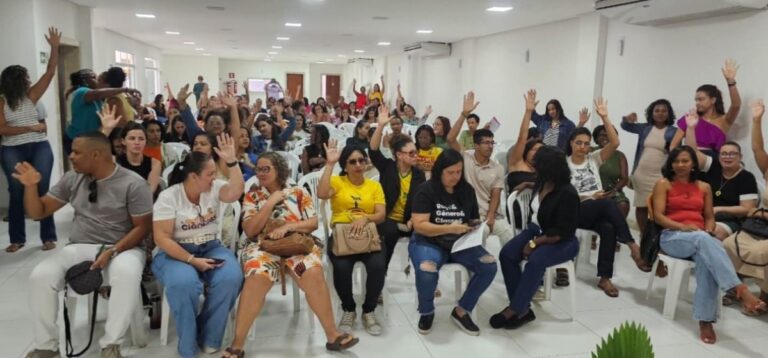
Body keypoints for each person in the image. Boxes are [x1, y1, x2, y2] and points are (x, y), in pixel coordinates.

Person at [17, 130, 153, 358]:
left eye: (76, 152)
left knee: (126, 273)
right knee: (40, 276)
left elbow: (142, 228)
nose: (71, 156)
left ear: (96, 155)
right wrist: (31, 187)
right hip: (79, 245)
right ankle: (47, 347)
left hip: (123, 247)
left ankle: (111, 344)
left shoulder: (133, 183)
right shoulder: (73, 178)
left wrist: (113, 250)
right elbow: (38, 212)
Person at [224, 153, 358, 357]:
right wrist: (270, 202)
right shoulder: (253, 195)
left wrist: (288, 227)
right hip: (263, 246)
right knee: (256, 276)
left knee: (313, 272)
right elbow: (250, 230)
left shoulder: (297, 191)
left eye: (266, 168)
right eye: (258, 169)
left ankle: (332, 336)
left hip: (296, 244)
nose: (261, 173)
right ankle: (237, 344)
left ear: (279, 169)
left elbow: (312, 223)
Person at [651, 145, 765, 344]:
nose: (680, 165)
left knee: (707, 256)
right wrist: (682, 227)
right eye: (676, 161)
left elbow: (709, 217)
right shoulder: (664, 184)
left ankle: (706, 320)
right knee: (705, 241)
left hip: (698, 237)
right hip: (672, 236)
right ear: (671, 164)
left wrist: (709, 230)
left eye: (685, 161)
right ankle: (740, 289)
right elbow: (659, 216)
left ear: (693, 164)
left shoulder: (704, 187)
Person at [151, 134, 244, 358]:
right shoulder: (169, 197)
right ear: (193, 176)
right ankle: (188, 343)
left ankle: (209, 336)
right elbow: (162, 238)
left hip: (210, 247)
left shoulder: (214, 189)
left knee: (231, 278)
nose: (214, 178)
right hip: (175, 252)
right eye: (210, 174)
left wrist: (232, 163)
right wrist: (192, 261)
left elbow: (236, 191)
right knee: (184, 283)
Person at [566, 98, 650, 297]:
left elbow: (615, 142)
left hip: (596, 208)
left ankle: (605, 278)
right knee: (604, 201)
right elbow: (563, 198)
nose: (582, 147)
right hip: (574, 210)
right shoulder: (563, 163)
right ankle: (632, 245)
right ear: (571, 143)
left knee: (609, 228)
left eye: (586, 144)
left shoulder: (594, 158)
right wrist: (589, 196)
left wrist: (604, 116)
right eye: (578, 143)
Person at [409, 149, 498, 335]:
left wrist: (474, 226)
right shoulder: (426, 190)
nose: (455, 176)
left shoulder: (466, 190)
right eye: (450, 172)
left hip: (460, 243)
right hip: (429, 241)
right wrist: (450, 227)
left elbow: (471, 218)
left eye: (459, 171)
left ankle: (462, 310)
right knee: (427, 268)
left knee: (489, 266)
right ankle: (427, 311)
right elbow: (419, 226)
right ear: (440, 171)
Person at [491, 145, 580, 329]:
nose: (534, 167)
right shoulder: (542, 182)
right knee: (507, 254)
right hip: (536, 230)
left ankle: (515, 309)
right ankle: (522, 309)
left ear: (550, 169)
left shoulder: (568, 194)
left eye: (538, 165)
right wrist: (526, 184)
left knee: (535, 260)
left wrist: (534, 243)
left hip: (562, 240)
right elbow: (539, 196)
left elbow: (562, 231)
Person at [317, 141, 387, 336]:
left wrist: (365, 218)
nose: (358, 165)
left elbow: (381, 214)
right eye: (352, 161)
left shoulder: (374, 186)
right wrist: (330, 165)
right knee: (341, 267)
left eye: (361, 161)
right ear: (345, 166)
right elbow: (321, 193)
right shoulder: (337, 182)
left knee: (377, 266)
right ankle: (348, 309)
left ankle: (369, 310)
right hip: (342, 233)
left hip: (368, 232)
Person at [0, 27, 60, 252]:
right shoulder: (2, 101)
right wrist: (30, 127)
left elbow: (51, 72)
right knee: (16, 192)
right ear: (16, 81)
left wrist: (54, 47)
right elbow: (2, 129)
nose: (29, 80)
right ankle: (17, 239)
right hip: (12, 150)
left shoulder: (32, 95)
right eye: (25, 77)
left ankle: (48, 237)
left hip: (39, 147)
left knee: (43, 189)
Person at [447, 92, 514, 246]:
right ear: (476, 145)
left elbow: (496, 195)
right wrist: (464, 114)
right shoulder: (466, 158)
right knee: (479, 235)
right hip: (470, 216)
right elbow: (450, 139)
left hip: (491, 215)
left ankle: (510, 267)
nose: (490, 146)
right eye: (486, 143)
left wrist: (490, 217)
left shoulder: (498, 167)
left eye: (492, 143)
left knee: (509, 236)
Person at [681, 113, 759, 241]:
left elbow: (747, 208)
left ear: (740, 157)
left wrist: (717, 209)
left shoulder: (747, 177)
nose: (727, 157)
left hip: (730, 220)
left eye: (732, 154)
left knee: (713, 233)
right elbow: (693, 154)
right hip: (703, 214)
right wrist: (690, 128)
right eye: (724, 154)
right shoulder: (714, 166)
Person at [723, 99, 768, 312]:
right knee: (730, 243)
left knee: (762, 250)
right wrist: (757, 120)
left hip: (763, 224)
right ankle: (737, 288)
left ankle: (764, 295)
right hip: (758, 225)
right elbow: (758, 148)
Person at [370, 105, 426, 272]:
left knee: (424, 236)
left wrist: (413, 220)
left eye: (415, 152)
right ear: (399, 155)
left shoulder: (418, 175)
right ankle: (380, 278)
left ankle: (425, 274)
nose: (415, 156)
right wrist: (380, 126)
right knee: (389, 233)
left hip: (410, 220)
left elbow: (420, 201)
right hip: (388, 219)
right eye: (411, 153)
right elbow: (373, 151)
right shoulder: (387, 167)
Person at [621, 99, 678, 240]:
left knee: (659, 208)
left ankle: (658, 235)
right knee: (641, 207)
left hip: (660, 176)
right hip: (641, 174)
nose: (660, 113)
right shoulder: (645, 128)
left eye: (664, 111)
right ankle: (644, 234)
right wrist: (627, 118)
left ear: (668, 113)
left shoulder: (673, 131)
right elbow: (625, 126)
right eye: (657, 110)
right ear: (651, 113)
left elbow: (676, 154)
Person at [671, 59, 741, 155]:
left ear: (713, 100)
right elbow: (673, 146)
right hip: (690, 162)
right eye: (696, 100)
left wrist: (731, 82)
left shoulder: (724, 120)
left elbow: (736, 105)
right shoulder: (690, 118)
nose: (697, 103)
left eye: (701, 99)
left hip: (713, 164)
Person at [64, 69, 139, 154]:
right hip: (77, 138)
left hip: (90, 140)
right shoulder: (81, 91)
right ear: (86, 81)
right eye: (94, 78)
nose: (97, 81)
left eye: (99, 79)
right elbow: (97, 93)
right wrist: (125, 89)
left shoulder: (103, 99)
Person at [593, 124, 630, 217]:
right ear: (596, 138)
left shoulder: (620, 156)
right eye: (602, 135)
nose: (606, 137)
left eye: (609, 135)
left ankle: (618, 230)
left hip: (612, 190)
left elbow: (624, 179)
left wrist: (613, 191)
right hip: (591, 191)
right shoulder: (590, 151)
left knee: (623, 205)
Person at [115, 122, 161, 195]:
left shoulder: (155, 163)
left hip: (144, 202)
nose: (137, 142)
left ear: (146, 141)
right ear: (123, 141)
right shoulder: (115, 162)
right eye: (132, 138)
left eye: (141, 139)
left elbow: (149, 191)